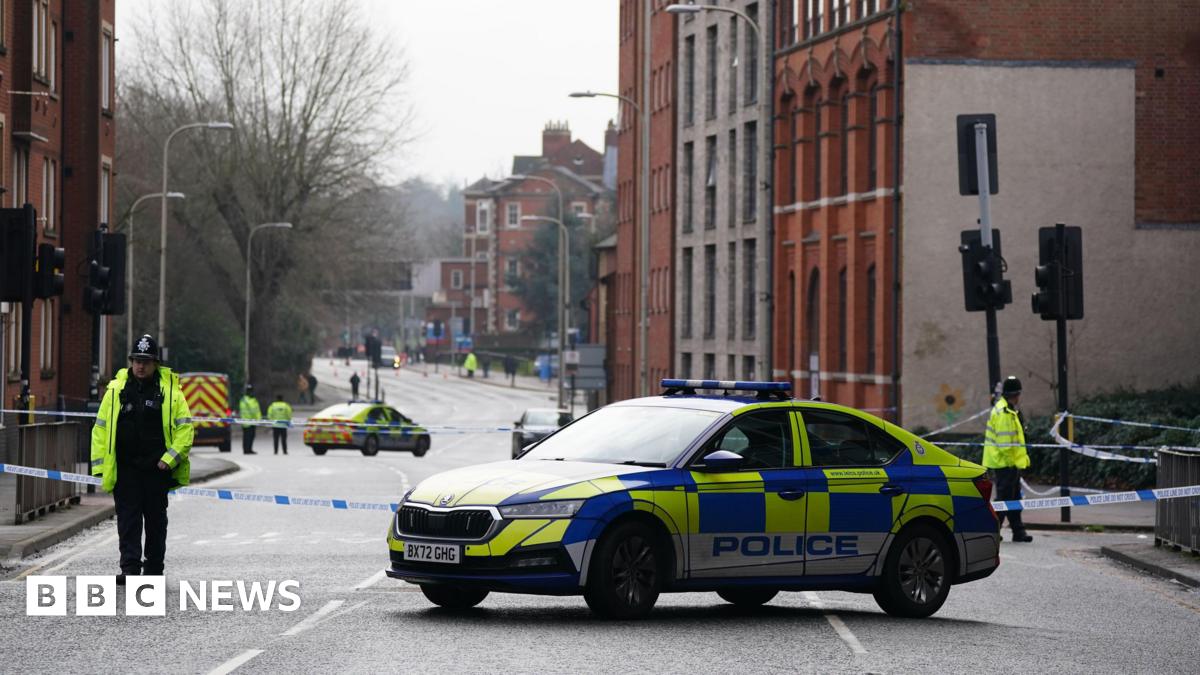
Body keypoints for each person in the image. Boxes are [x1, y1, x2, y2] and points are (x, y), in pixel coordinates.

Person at [90, 334, 193, 584]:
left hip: (157, 470)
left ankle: (154, 568)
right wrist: (102, 467)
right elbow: (100, 429)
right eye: (137, 360)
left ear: (156, 363)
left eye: (146, 361)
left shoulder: (171, 392)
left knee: (156, 523)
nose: (140, 365)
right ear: (131, 361)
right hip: (126, 470)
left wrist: (169, 459)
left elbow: (185, 430)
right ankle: (130, 569)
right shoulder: (115, 390)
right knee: (128, 522)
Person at [982, 376, 1033, 543]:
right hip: (1004, 463)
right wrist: (1012, 463)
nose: (1019, 397)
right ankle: (993, 531)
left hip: (1009, 462)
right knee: (1004, 500)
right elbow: (1005, 444)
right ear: (1014, 394)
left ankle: (1018, 531)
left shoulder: (1009, 410)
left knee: (1013, 498)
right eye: (1018, 393)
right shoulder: (1004, 412)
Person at [238, 384, 262, 455]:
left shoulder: (243, 399)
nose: (251, 392)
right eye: (250, 391)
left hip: (245, 421)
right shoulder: (250, 400)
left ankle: (247, 449)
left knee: (246, 436)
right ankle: (248, 450)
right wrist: (258, 419)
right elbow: (254, 411)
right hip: (251, 421)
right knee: (249, 436)